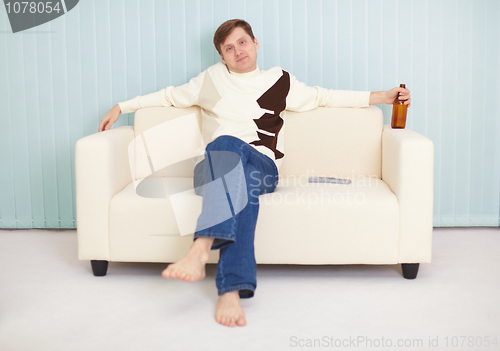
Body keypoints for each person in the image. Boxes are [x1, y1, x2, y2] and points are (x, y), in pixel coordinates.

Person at [98, 19, 411, 328]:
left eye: (242, 42)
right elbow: (168, 95)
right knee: (232, 166)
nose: (238, 52)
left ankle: (202, 249)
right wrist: (121, 107)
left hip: (263, 165)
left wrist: (383, 96)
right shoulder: (211, 79)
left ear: (255, 42)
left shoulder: (279, 80)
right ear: (221, 56)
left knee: (233, 157)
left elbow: (324, 96)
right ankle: (231, 289)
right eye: (229, 48)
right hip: (211, 170)